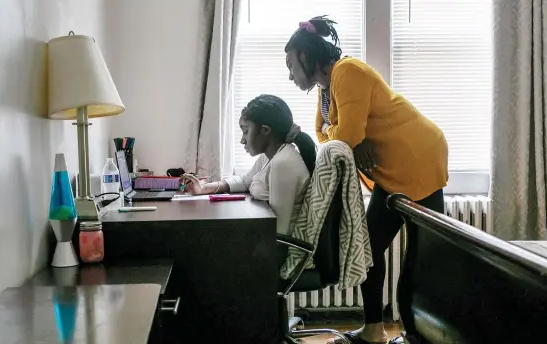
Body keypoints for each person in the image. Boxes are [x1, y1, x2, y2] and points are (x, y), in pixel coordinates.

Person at [284, 16, 448, 343]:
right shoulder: (326, 89)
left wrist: (355, 138)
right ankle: (375, 330)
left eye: (291, 64)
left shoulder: (348, 72)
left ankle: (424, 333)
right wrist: (354, 140)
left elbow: (345, 133)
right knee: (368, 250)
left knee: (426, 254)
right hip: (393, 171)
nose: (289, 74)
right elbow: (326, 136)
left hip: (419, 158)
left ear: (307, 56)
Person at [181, 94, 316, 236]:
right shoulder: (270, 156)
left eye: (246, 131)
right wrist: (203, 188)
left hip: (276, 246)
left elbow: (279, 230)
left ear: (265, 130)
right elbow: (245, 181)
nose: (242, 140)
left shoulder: (283, 164)